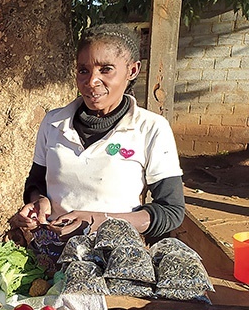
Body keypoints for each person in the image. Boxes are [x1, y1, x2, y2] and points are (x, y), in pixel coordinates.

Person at [13, 24, 185, 268]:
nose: (92, 81)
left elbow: (171, 211)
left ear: (132, 70)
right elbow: (36, 182)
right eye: (83, 70)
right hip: (51, 255)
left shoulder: (150, 128)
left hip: (116, 260)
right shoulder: (53, 123)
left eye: (106, 69)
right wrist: (38, 202)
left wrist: (98, 220)